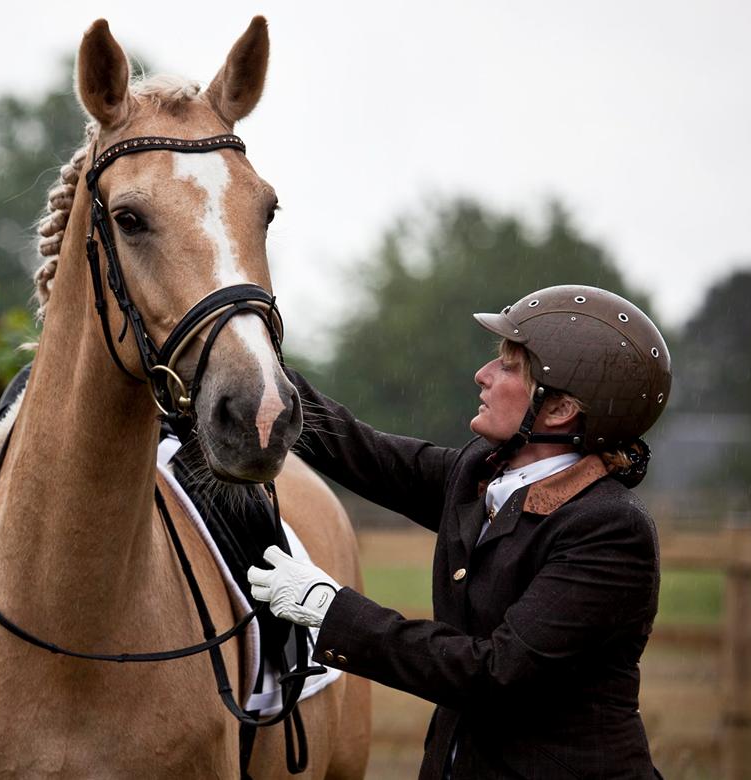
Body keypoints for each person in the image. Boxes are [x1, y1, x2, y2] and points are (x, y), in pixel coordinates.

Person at [248, 284, 671, 779]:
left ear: (558, 410)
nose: (483, 375)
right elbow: (364, 453)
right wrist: (256, 366)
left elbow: (495, 673)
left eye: (509, 367)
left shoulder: (609, 529)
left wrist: (331, 609)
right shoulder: (483, 471)